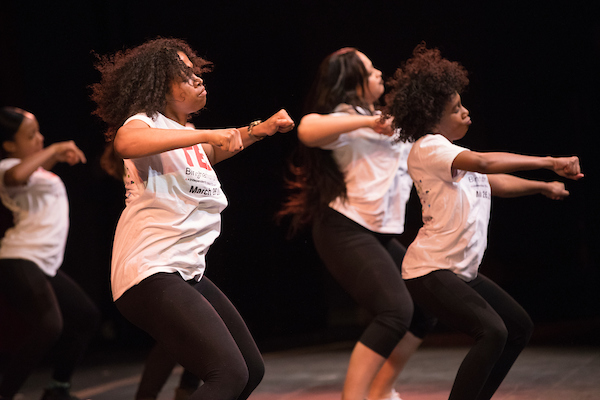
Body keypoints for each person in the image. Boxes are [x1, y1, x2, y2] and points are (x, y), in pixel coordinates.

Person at [90, 37, 295, 400]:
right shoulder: (145, 122)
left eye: (196, 73)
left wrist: (259, 130)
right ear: (158, 85)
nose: (198, 79)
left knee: (250, 370)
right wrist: (204, 134)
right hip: (149, 269)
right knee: (227, 374)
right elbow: (126, 142)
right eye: (185, 75)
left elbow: (209, 153)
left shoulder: (184, 138)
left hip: (184, 270)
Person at [384, 43, 583, 400]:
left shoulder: (453, 157)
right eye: (456, 109)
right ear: (433, 116)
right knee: (492, 332)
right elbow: (487, 165)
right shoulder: (430, 148)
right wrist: (548, 161)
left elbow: (495, 182)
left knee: (518, 327)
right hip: (430, 270)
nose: (466, 112)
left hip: (458, 271)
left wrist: (543, 187)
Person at [278, 48, 435, 400]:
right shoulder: (347, 119)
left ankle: (381, 392)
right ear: (352, 82)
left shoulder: (384, 119)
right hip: (344, 228)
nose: (379, 72)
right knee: (395, 310)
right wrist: (366, 122)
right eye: (370, 68)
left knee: (423, 310)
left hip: (378, 233)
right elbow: (307, 128)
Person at [0, 107, 100, 400]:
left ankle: (58, 389)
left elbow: (30, 172)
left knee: (85, 316)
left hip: (42, 265)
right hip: (19, 258)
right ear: (9, 145)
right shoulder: (6, 167)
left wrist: (53, 157)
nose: (40, 139)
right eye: (31, 136)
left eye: (40, 132)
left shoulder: (39, 172)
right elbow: (17, 176)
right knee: (49, 325)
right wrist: (55, 149)